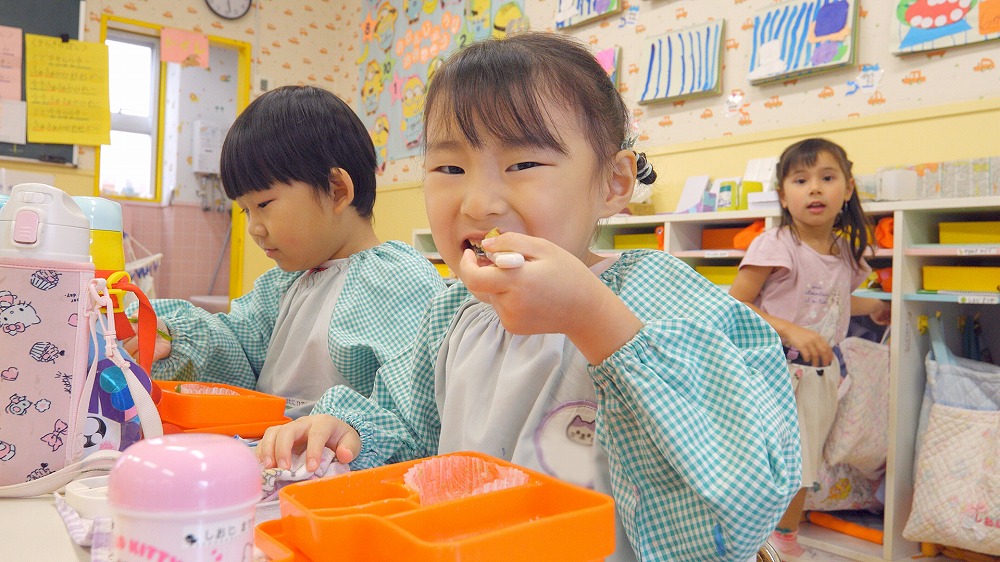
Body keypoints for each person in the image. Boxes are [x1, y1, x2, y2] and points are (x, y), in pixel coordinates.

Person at [257, 33, 800, 561]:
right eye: (449, 168)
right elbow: (413, 432)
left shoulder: (658, 295)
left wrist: (595, 321)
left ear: (612, 183)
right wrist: (351, 430)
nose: (478, 202)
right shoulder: (452, 313)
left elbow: (744, 490)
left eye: (523, 165)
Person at [123, 85, 445, 418]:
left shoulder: (397, 282)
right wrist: (175, 340)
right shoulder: (281, 285)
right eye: (246, 210)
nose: (254, 228)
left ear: (336, 191)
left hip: (345, 463)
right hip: (269, 452)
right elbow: (239, 353)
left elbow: (414, 409)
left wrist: (350, 429)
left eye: (263, 204)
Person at [728, 138, 891, 560]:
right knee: (776, 458)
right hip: (774, 371)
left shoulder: (843, 251)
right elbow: (736, 303)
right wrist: (789, 331)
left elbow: (832, 297)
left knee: (806, 461)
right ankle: (778, 539)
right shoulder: (776, 245)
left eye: (827, 178)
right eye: (801, 180)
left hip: (820, 374)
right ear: (784, 195)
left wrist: (873, 308)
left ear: (848, 189)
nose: (814, 188)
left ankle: (780, 536)